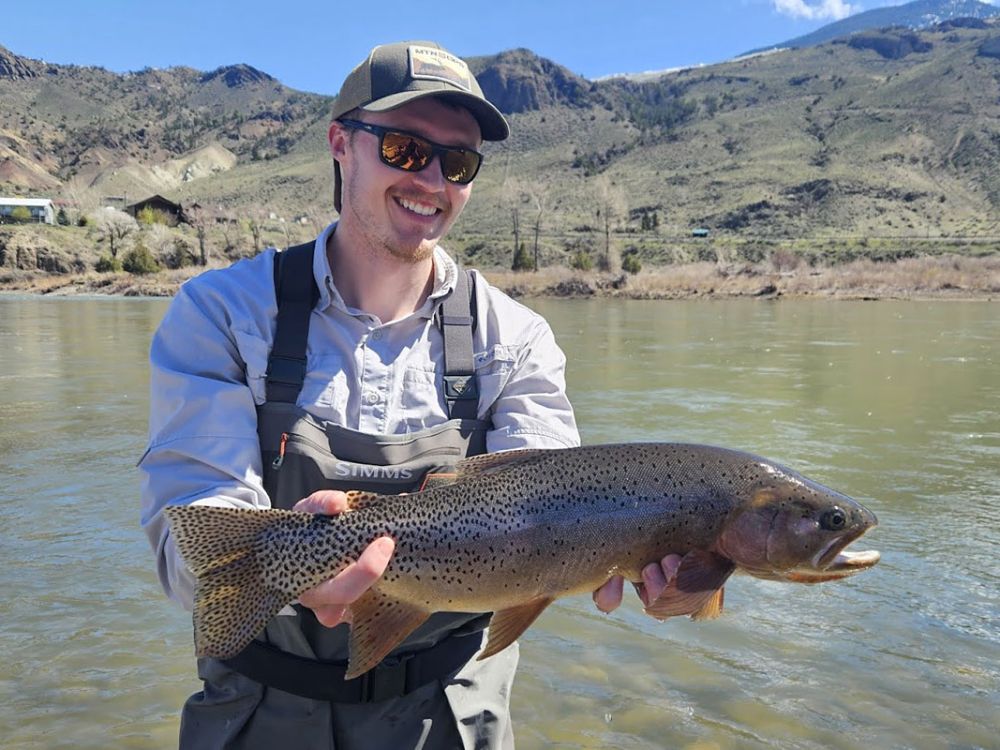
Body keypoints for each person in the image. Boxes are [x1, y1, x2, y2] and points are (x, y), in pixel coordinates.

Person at [141, 40, 680, 750]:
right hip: (260, 708)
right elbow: (193, 547)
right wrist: (295, 570)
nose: (431, 179)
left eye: (456, 163)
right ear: (341, 143)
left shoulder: (516, 338)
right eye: (403, 149)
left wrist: (659, 567)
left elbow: (555, 507)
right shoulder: (222, 313)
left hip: (449, 714)